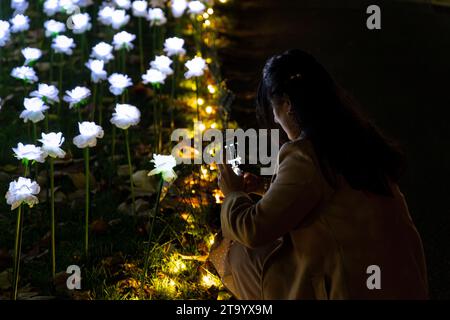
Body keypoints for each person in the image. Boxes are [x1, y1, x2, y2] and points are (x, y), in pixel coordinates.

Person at [210, 49, 428, 300]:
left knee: (240, 252)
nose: (275, 118)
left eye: (274, 108)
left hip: (351, 289)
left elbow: (253, 230)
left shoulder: (305, 154)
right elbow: (330, 204)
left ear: (288, 105)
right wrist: (263, 188)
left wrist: (233, 193)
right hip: (404, 286)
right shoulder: (356, 138)